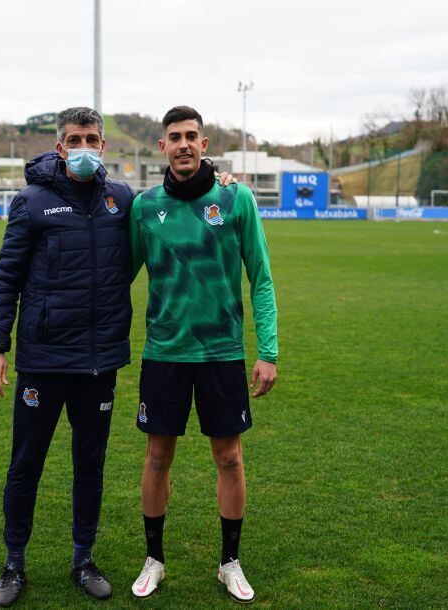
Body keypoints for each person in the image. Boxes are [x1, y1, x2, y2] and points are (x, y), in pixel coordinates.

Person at [0, 106, 133, 607]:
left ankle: (84, 558)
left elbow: (175, 203)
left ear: (103, 146)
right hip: (43, 361)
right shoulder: (32, 201)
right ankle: (13, 564)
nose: (84, 147)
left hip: (99, 360)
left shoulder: (122, 200)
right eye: (75, 139)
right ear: (60, 146)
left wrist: (218, 177)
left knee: (90, 464)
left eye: (92, 138)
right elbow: (7, 276)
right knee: (26, 464)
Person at [127, 106, 277, 603]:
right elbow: (117, 278)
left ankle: (229, 562)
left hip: (221, 353)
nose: (184, 144)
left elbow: (261, 276)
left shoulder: (236, 199)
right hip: (165, 352)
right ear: (162, 147)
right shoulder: (145, 207)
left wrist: (268, 350)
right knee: (157, 455)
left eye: (192, 136)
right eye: (175, 137)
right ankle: (154, 559)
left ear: (205, 143)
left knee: (229, 457)